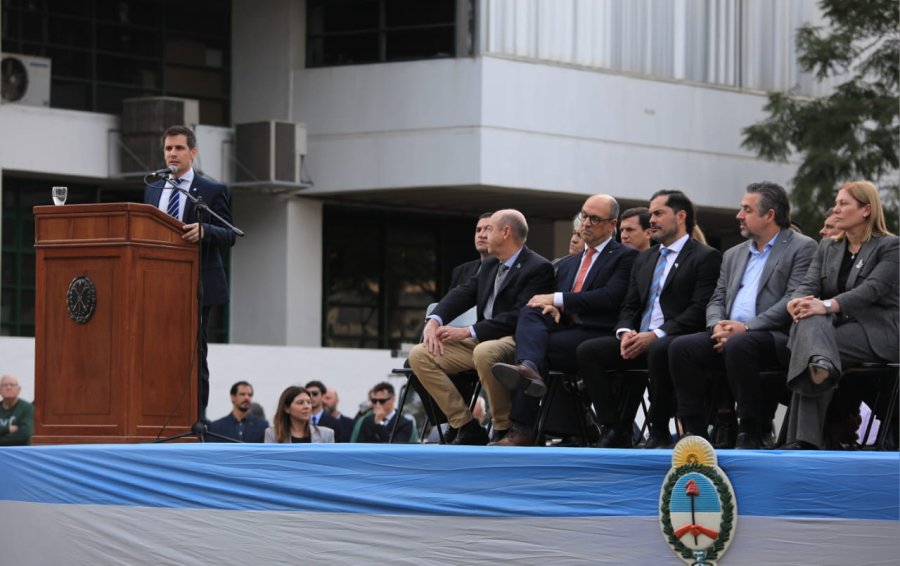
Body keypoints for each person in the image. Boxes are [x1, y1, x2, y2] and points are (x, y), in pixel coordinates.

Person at [668, 182, 816, 449]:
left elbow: (792, 299)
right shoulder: (734, 253)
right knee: (681, 347)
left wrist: (746, 328)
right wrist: (716, 326)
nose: (739, 215)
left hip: (776, 337)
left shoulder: (802, 247)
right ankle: (695, 434)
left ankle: (749, 429)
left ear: (769, 215)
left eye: (746, 209)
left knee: (739, 344)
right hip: (730, 335)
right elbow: (717, 298)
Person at [577, 190, 721, 448]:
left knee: (658, 349)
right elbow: (630, 305)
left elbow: (699, 309)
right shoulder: (645, 258)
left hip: (674, 339)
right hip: (638, 339)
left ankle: (659, 432)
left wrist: (656, 334)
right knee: (589, 351)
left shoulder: (705, 257)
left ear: (680, 216)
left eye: (658, 213)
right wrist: (624, 332)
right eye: (651, 213)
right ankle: (615, 428)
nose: (651, 219)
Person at [489, 194, 637, 446]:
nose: (586, 223)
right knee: (532, 309)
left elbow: (610, 297)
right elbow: (561, 301)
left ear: (612, 225)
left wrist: (558, 301)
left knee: (540, 347)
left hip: (599, 331)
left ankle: (528, 427)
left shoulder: (624, 256)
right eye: (584, 216)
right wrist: (558, 309)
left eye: (594, 218)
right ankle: (530, 371)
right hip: (569, 328)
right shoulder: (570, 264)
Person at [408, 210, 555, 445]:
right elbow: (462, 294)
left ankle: (503, 426)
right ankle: (465, 425)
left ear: (506, 233)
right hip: (481, 339)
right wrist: (434, 321)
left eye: (490, 229)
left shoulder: (538, 267)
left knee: (485, 352)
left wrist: (469, 331)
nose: (483, 234)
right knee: (419, 355)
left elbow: (520, 315)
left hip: (514, 339)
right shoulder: (489, 266)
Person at [783, 181, 898, 450]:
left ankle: (803, 440)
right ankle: (820, 364)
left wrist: (824, 306)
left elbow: (871, 291)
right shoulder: (828, 246)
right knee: (813, 336)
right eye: (835, 204)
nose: (836, 209)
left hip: (881, 330)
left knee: (813, 340)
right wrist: (795, 302)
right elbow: (807, 285)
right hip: (836, 329)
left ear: (866, 210)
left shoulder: (891, 247)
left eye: (843, 204)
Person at [144, 125, 236, 414]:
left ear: (193, 153)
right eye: (168, 148)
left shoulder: (211, 190)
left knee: (194, 353)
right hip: (158, 284)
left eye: (179, 148)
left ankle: (197, 420)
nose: (173, 153)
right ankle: (159, 411)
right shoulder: (153, 188)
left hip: (197, 284)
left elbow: (230, 233)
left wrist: (205, 230)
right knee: (159, 352)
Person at [264, 386, 335, 443]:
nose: (306, 406)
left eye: (309, 402)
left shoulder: (326, 435)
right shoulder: (272, 434)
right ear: (286, 408)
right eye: (300, 403)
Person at [450, 213, 493, 289]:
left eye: (488, 229)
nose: (481, 235)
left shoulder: (509, 270)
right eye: (478, 230)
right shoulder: (461, 271)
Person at [0, 375, 33, 446]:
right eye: (5, 385)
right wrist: (7, 429)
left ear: (19, 389)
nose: (8, 387)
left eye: (12, 385)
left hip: (18, 452)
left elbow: (24, 435)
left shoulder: (27, 408)